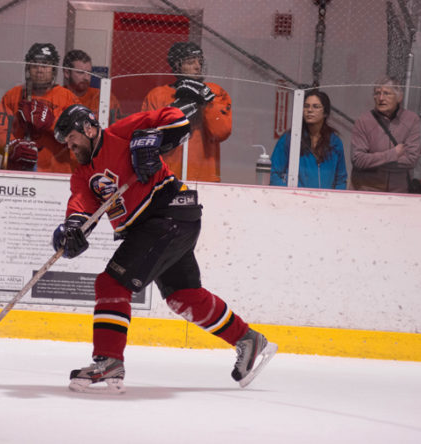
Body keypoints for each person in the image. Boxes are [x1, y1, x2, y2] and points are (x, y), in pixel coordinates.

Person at [51, 104, 277, 394]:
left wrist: (153, 140)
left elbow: (177, 119)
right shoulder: (82, 174)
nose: (68, 145)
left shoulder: (121, 133)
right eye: (65, 141)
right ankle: (248, 339)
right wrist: (72, 230)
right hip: (164, 225)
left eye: (71, 137)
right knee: (182, 296)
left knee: (111, 283)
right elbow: (81, 206)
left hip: (168, 214)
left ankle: (108, 360)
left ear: (89, 128)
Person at [141, 41, 232, 182]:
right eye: (190, 62)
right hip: (168, 177)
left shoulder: (215, 92)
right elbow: (148, 139)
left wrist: (207, 103)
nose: (197, 67)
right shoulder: (157, 95)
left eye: (200, 62)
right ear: (177, 65)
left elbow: (221, 133)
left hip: (206, 177)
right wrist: (176, 111)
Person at [0, 43, 79, 173]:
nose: (39, 70)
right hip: (17, 172)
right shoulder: (13, 95)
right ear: (28, 67)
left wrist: (52, 123)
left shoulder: (68, 99)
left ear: (53, 69)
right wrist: (13, 147)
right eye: (35, 65)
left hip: (55, 174)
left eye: (45, 65)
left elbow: (80, 138)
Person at [350, 76, 421, 192]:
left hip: (398, 191)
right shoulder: (363, 121)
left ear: (399, 97)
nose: (381, 98)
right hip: (367, 190)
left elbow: (412, 160)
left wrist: (373, 161)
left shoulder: (411, 120)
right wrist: (393, 154)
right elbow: (358, 160)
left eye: (387, 93)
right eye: (377, 93)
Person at [270, 90, 347, 189]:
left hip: (325, 202)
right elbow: (273, 173)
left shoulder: (335, 142)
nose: (309, 110)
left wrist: (333, 201)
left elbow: (341, 179)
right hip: (295, 201)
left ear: (325, 113)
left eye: (316, 106)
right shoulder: (290, 138)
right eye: (306, 106)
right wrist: (290, 195)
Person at [62, 49, 122, 125]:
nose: (86, 78)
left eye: (89, 73)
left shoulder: (105, 97)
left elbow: (118, 127)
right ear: (67, 73)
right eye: (80, 73)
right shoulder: (58, 97)